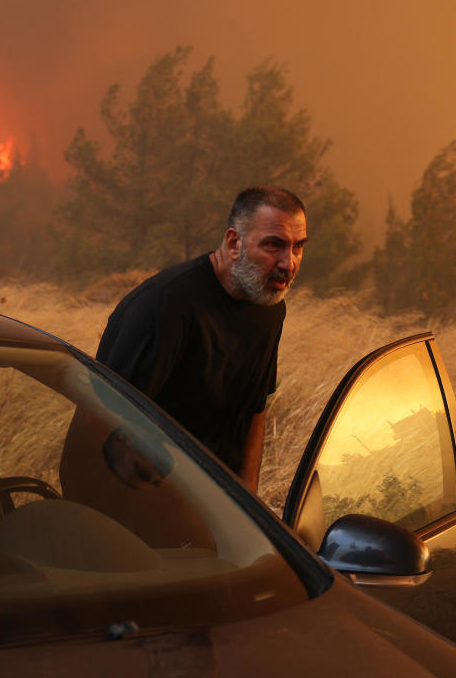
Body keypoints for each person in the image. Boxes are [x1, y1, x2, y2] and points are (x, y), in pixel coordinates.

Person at [95, 186, 307, 493]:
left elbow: (254, 410)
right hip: (147, 497)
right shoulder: (166, 304)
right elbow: (107, 419)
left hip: (220, 503)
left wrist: (249, 505)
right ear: (234, 243)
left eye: (298, 247)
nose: (289, 263)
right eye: (274, 245)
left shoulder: (270, 308)